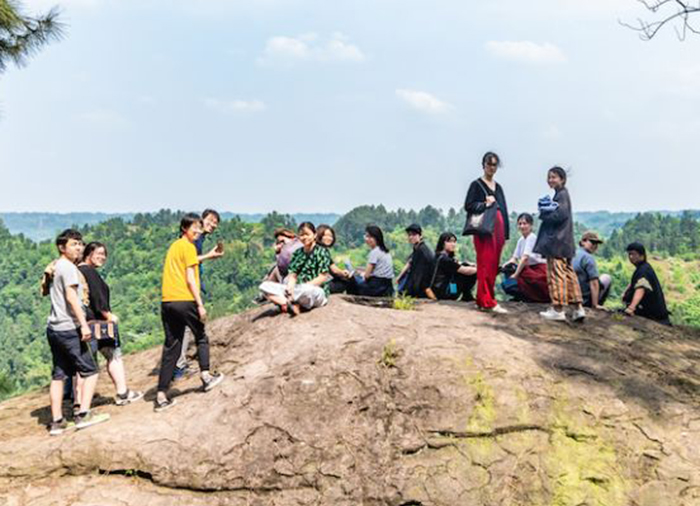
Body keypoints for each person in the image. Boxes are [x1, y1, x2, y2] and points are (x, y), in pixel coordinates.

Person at [155, 213, 225, 412]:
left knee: (172, 347)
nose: (198, 231)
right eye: (195, 227)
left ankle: (161, 395)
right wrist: (200, 304)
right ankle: (206, 376)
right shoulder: (188, 246)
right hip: (185, 299)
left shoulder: (175, 246)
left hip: (167, 301)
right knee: (201, 336)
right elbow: (190, 278)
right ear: (185, 229)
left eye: (199, 228)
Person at [46, 229, 110, 435]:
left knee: (59, 374)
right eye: (74, 244)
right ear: (62, 247)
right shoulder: (69, 269)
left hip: (54, 328)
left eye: (80, 244)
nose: (79, 248)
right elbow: (72, 298)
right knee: (90, 371)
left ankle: (57, 421)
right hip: (70, 327)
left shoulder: (56, 266)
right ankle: (83, 414)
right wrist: (83, 325)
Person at [78, 242, 143, 406]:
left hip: (83, 323)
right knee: (113, 355)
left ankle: (79, 401)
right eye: (98, 253)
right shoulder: (89, 272)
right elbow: (97, 297)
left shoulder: (78, 270)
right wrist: (108, 315)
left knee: (85, 363)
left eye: (104, 254)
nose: (102, 257)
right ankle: (123, 393)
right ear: (88, 253)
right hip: (98, 323)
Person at [173, 209, 224, 380]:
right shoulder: (194, 238)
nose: (213, 225)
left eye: (215, 223)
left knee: (183, 327)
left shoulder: (197, 238)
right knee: (189, 327)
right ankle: (181, 368)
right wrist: (209, 255)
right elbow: (189, 260)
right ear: (201, 220)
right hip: (186, 287)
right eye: (210, 220)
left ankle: (178, 366)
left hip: (185, 286)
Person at [533, 167, 586, 322]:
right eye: (549, 177)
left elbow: (560, 215)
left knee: (556, 274)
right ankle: (578, 308)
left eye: (554, 177)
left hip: (556, 243)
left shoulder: (561, 195)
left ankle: (558, 309)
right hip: (565, 242)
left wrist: (544, 212)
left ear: (562, 179)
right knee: (569, 274)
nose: (550, 180)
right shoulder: (562, 194)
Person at [464, 152, 509, 314]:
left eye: (494, 164)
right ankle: (487, 301)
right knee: (485, 264)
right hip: (484, 231)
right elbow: (468, 205)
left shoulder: (499, 187)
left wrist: (506, 234)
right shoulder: (476, 185)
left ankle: (483, 299)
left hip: (498, 231)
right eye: (489, 164)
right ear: (483, 165)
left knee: (493, 265)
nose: (491, 167)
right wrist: (484, 203)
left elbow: (504, 211)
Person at [259, 222, 332, 316]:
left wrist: (305, 286)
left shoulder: (322, 252)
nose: (304, 237)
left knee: (306, 291)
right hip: (298, 289)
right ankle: (288, 303)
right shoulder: (297, 253)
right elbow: (293, 275)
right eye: (301, 235)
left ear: (314, 235)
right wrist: (290, 288)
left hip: (315, 291)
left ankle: (288, 301)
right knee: (264, 286)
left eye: (307, 234)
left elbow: (323, 277)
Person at [501, 213, 549, 303]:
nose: (522, 226)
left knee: (513, 281)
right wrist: (505, 266)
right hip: (528, 269)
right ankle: (521, 296)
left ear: (530, 225)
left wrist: (515, 274)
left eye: (525, 223)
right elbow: (514, 258)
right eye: (520, 224)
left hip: (538, 270)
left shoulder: (531, 238)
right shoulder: (521, 240)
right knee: (508, 273)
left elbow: (525, 258)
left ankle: (527, 297)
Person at [622, 242, 671, 325]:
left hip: (653, 316)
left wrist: (631, 308)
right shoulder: (643, 267)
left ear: (642, 255)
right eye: (629, 254)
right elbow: (634, 283)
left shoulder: (643, 270)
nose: (631, 257)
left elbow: (641, 288)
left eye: (633, 254)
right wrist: (625, 292)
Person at [347, 225, 395, 297]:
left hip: (376, 288)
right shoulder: (385, 251)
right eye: (366, 236)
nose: (367, 239)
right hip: (388, 287)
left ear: (377, 238)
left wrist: (361, 274)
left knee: (351, 279)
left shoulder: (375, 252)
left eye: (370, 237)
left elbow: (366, 276)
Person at [428, 232, 477, 301]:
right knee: (466, 271)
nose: (453, 244)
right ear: (442, 243)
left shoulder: (439, 256)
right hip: (445, 292)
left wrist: (471, 264)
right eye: (449, 241)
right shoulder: (445, 259)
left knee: (465, 266)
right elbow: (465, 270)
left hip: (439, 290)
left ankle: (466, 295)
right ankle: (466, 295)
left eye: (454, 242)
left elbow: (457, 263)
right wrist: (480, 269)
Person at [573, 232, 612, 309]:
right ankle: (597, 304)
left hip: (570, 297)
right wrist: (595, 305)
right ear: (583, 242)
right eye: (592, 242)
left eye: (596, 244)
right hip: (584, 300)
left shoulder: (572, 253)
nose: (595, 246)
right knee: (606, 278)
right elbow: (594, 282)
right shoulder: (588, 258)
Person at [397, 224, 434, 299]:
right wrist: (399, 277)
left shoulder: (422, 250)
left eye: (414, 234)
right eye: (409, 235)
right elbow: (410, 263)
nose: (411, 237)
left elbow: (418, 273)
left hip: (423, 286)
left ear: (420, 235)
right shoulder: (417, 248)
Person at [316, 224, 352, 294]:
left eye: (331, 236)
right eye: (325, 235)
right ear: (319, 236)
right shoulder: (322, 251)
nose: (329, 238)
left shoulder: (316, 248)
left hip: (313, 283)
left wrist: (341, 273)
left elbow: (332, 269)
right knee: (346, 281)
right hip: (318, 285)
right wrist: (344, 273)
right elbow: (334, 271)